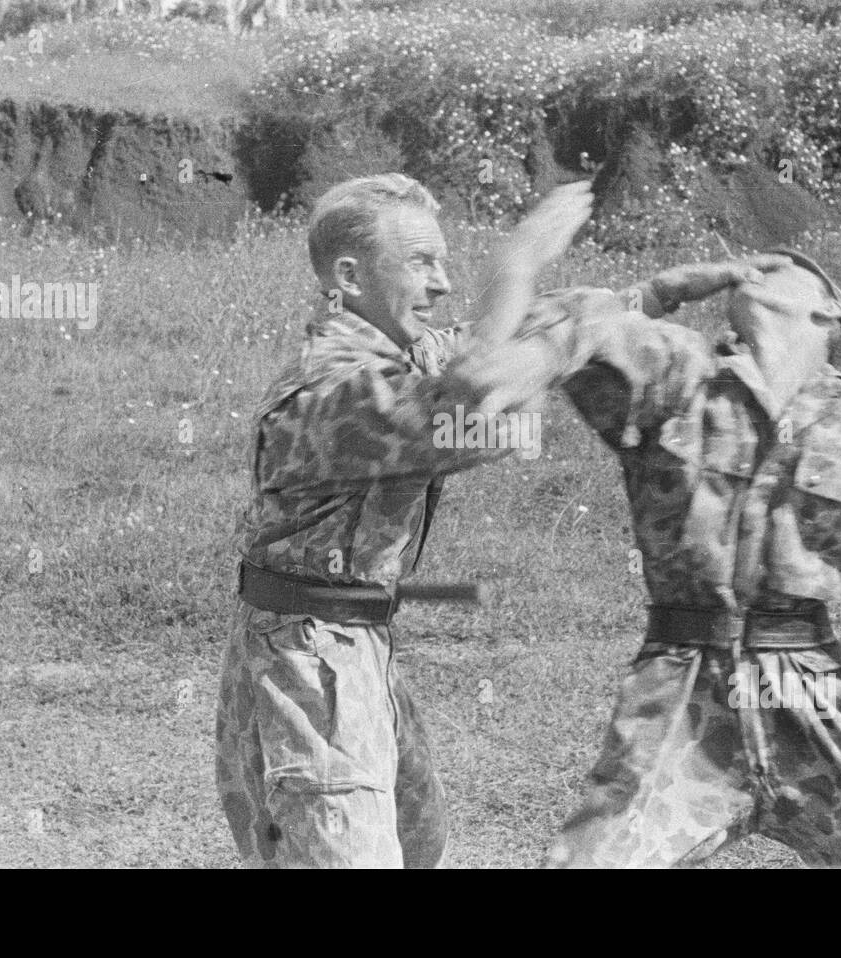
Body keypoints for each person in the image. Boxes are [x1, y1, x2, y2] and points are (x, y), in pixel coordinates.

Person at [545, 249, 841, 868]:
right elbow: (556, 327)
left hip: (811, 700)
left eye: (784, 267)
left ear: (829, 313)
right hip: (680, 699)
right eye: (751, 265)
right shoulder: (676, 382)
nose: (757, 266)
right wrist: (663, 288)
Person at [215, 174, 604, 868]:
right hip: (307, 660)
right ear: (349, 277)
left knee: (419, 841)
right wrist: (516, 263)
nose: (443, 283)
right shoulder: (336, 390)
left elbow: (490, 347)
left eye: (443, 263)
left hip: (353, 644)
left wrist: (614, 308)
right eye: (421, 262)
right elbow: (480, 403)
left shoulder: (400, 354)